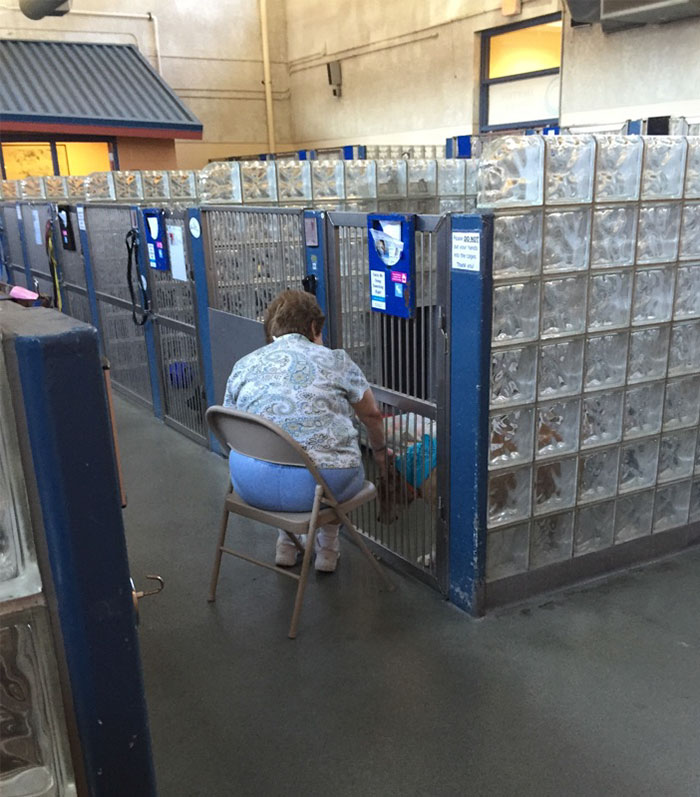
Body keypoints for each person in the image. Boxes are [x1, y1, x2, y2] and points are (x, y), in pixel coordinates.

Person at [223, 290, 388, 572]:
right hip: (321, 487)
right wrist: (381, 453)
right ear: (313, 327)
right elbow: (371, 414)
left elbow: (229, 426)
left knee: (282, 456)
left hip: (249, 484)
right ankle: (327, 549)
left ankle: (287, 545)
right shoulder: (336, 360)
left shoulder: (245, 364)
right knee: (337, 461)